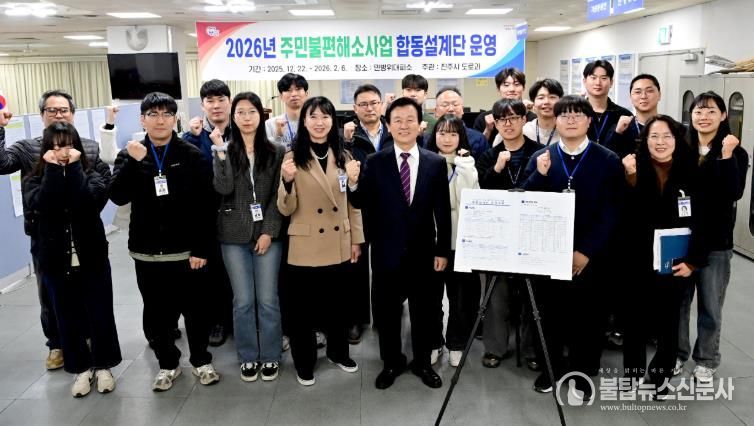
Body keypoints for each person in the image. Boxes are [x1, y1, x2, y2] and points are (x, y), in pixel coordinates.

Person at [110, 92, 220, 392]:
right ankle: (168, 363)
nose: (160, 120)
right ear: (142, 119)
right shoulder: (130, 154)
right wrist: (134, 163)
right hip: (146, 252)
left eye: (166, 114)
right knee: (157, 314)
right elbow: (117, 195)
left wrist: (202, 248)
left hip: (186, 252)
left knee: (196, 312)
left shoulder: (191, 154)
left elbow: (207, 205)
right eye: (153, 114)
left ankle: (201, 360)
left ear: (175, 119)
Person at [0, 89, 112, 371]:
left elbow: (102, 183)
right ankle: (56, 344)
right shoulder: (27, 148)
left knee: (87, 291)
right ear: (42, 115)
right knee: (50, 294)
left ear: (72, 114)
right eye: (52, 110)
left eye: (64, 110)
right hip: (45, 237)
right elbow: (2, 164)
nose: (59, 114)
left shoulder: (87, 147)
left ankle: (85, 340)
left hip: (82, 235)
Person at [522, 95, 624, 400]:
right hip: (548, 254)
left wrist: (585, 251)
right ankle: (550, 369)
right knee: (548, 315)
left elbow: (612, 211)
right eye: (564, 115)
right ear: (555, 121)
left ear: (589, 121)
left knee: (589, 317)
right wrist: (539, 175)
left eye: (577, 115)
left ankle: (583, 372)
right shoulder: (542, 157)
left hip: (591, 256)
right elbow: (526, 202)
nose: (570, 120)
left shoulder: (608, 159)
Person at [349, 97, 451, 390]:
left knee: (424, 312)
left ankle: (423, 363)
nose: (404, 126)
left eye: (410, 120)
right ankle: (391, 362)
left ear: (420, 125)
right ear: (389, 125)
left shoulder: (435, 163)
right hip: (386, 252)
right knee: (387, 313)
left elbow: (442, 211)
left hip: (424, 252)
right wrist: (353, 183)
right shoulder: (376, 161)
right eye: (397, 121)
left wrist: (442, 250)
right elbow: (361, 201)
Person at [23, 122, 121, 398]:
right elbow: (45, 204)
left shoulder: (92, 174)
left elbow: (87, 202)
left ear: (76, 146)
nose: (62, 152)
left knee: (100, 313)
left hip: (92, 258)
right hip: (56, 261)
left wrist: (74, 168)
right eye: (55, 147)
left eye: (67, 145)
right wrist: (54, 170)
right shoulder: (34, 179)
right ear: (46, 151)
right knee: (67, 316)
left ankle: (103, 366)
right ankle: (80, 368)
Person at [276, 96, 365, 386]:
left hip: (339, 241)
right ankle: (304, 362)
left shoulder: (345, 156)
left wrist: (356, 239)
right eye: (313, 116)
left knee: (338, 307)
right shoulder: (292, 158)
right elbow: (285, 209)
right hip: (305, 244)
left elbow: (353, 204)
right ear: (303, 121)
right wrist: (287, 181)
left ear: (332, 121)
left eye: (325, 116)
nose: (319, 122)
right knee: (302, 312)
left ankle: (339, 353)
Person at [620, 115, 703, 399]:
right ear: (645, 141)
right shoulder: (632, 167)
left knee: (669, 324)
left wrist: (693, 261)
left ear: (677, 140)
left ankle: (659, 378)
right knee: (634, 321)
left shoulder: (691, 172)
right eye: (654, 136)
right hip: (636, 259)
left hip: (674, 261)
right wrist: (630, 179)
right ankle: (632, 375)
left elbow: (704, 221)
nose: (660, 142)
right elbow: (622, 213)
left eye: (667, 136)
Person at [211, 92, 286, 382]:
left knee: (267, 299)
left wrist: (268, 231)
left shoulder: (277, 151)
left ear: (261, 115)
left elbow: (278, 196)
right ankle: (247, 356)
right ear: (233, 117)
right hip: (233, 235)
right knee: (242, 301)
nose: (246, 117)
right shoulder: (225, 150)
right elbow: (223, 188)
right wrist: (220, 153)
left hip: (268, 234)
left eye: (251, 112)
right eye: (240, 112)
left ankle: (271, 355)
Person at [676, 91, 748, 384]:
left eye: (710, 111)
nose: (703, 117)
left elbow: (733, 192)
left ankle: (706, 359)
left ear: (723, 116)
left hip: (716, 243)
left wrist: (727, 156)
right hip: (682, 238)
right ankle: (677, 354)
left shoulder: (735, 152)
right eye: (698, 111)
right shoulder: (682, 148)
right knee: (679, 303)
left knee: (710, 305)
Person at [475, 99, 544, 370]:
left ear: (524, 120)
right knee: (496, 293)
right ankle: (495, 348)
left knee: (533, 294)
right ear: (495, 123)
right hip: (498, 234)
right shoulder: (488, 156)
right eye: (502, 119)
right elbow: (481, 191)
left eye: (514, 117)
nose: (508, 123)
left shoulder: (539, 152)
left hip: (531, 231)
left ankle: (532, 349)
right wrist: (497, 169)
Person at [425, 114, 480, 367]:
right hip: (431, 241)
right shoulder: (425, 161)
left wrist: (464, 166)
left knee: (460, 299)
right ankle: (433, 342)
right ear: (434, 135)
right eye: (442, 133)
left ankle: (456, 343)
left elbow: (468, 199)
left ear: (461, 137)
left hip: (460, 242)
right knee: (431, 297)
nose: (447, 139)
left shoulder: (467, 164)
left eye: (453, 134)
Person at [183, 79, 234, 347]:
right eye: (210, 101)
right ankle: (217, 321)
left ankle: (237, 319)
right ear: (202, 105)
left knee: (235, 271)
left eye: (221, 100)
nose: (216, 106)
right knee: (212, 272)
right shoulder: (193, 137)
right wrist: (193, 138)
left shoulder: (241, 131)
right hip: (208, 215)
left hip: (238, 212)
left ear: (229, 102)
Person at [342, 84, 389, 343]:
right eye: (363, 104)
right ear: (355, 108)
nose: (369, 108)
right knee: (356, 266)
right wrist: (345, 141)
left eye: (374, 103)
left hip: (388, 210)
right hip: (357, 207)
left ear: (381, 105)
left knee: (384, 266)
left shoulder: (393, 132)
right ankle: (356, 319)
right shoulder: (347, 137)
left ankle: (383, 315)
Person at [604, 74, 663, 159]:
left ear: (659, 95)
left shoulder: (672, 127)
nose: (643, 96)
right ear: (630, 97)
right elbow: (606, 159)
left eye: (649, 91)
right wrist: (617, 134)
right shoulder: (621, 128)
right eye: (638, 92)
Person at [474, 68, 536, 144]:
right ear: (498, 88)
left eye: (517, 84)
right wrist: (488, 130)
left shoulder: (533, 118)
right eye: (506, 85)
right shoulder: (483, 119)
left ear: (524, 88)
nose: (512, 89)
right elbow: (476, 148)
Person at [581, 60, 633, 145]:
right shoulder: (577, 112)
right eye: (593, 78)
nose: (598, 83)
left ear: (611, 82)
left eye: (604, 78)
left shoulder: (623, 114)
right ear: (585, 81)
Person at [429, 87, 487, 158]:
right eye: (445, 105)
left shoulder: (478, 139)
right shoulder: (426, 139)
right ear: (436, 111)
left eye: (455, 104)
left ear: (462, 109)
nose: (451, 109)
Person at [266, 73, 309, 150]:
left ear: (306, 94)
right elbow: (266, 153)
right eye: (288, 90)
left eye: (298, 89)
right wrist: (278, 135)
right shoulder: (270, 124)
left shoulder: (315, 123)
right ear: (281, 96)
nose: (294, 94)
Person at [520, 78, 563, 148]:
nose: (546, 102)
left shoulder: (567, 130)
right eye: (541, 98)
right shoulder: (524, 131)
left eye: (552, 97)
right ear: (533, 103)